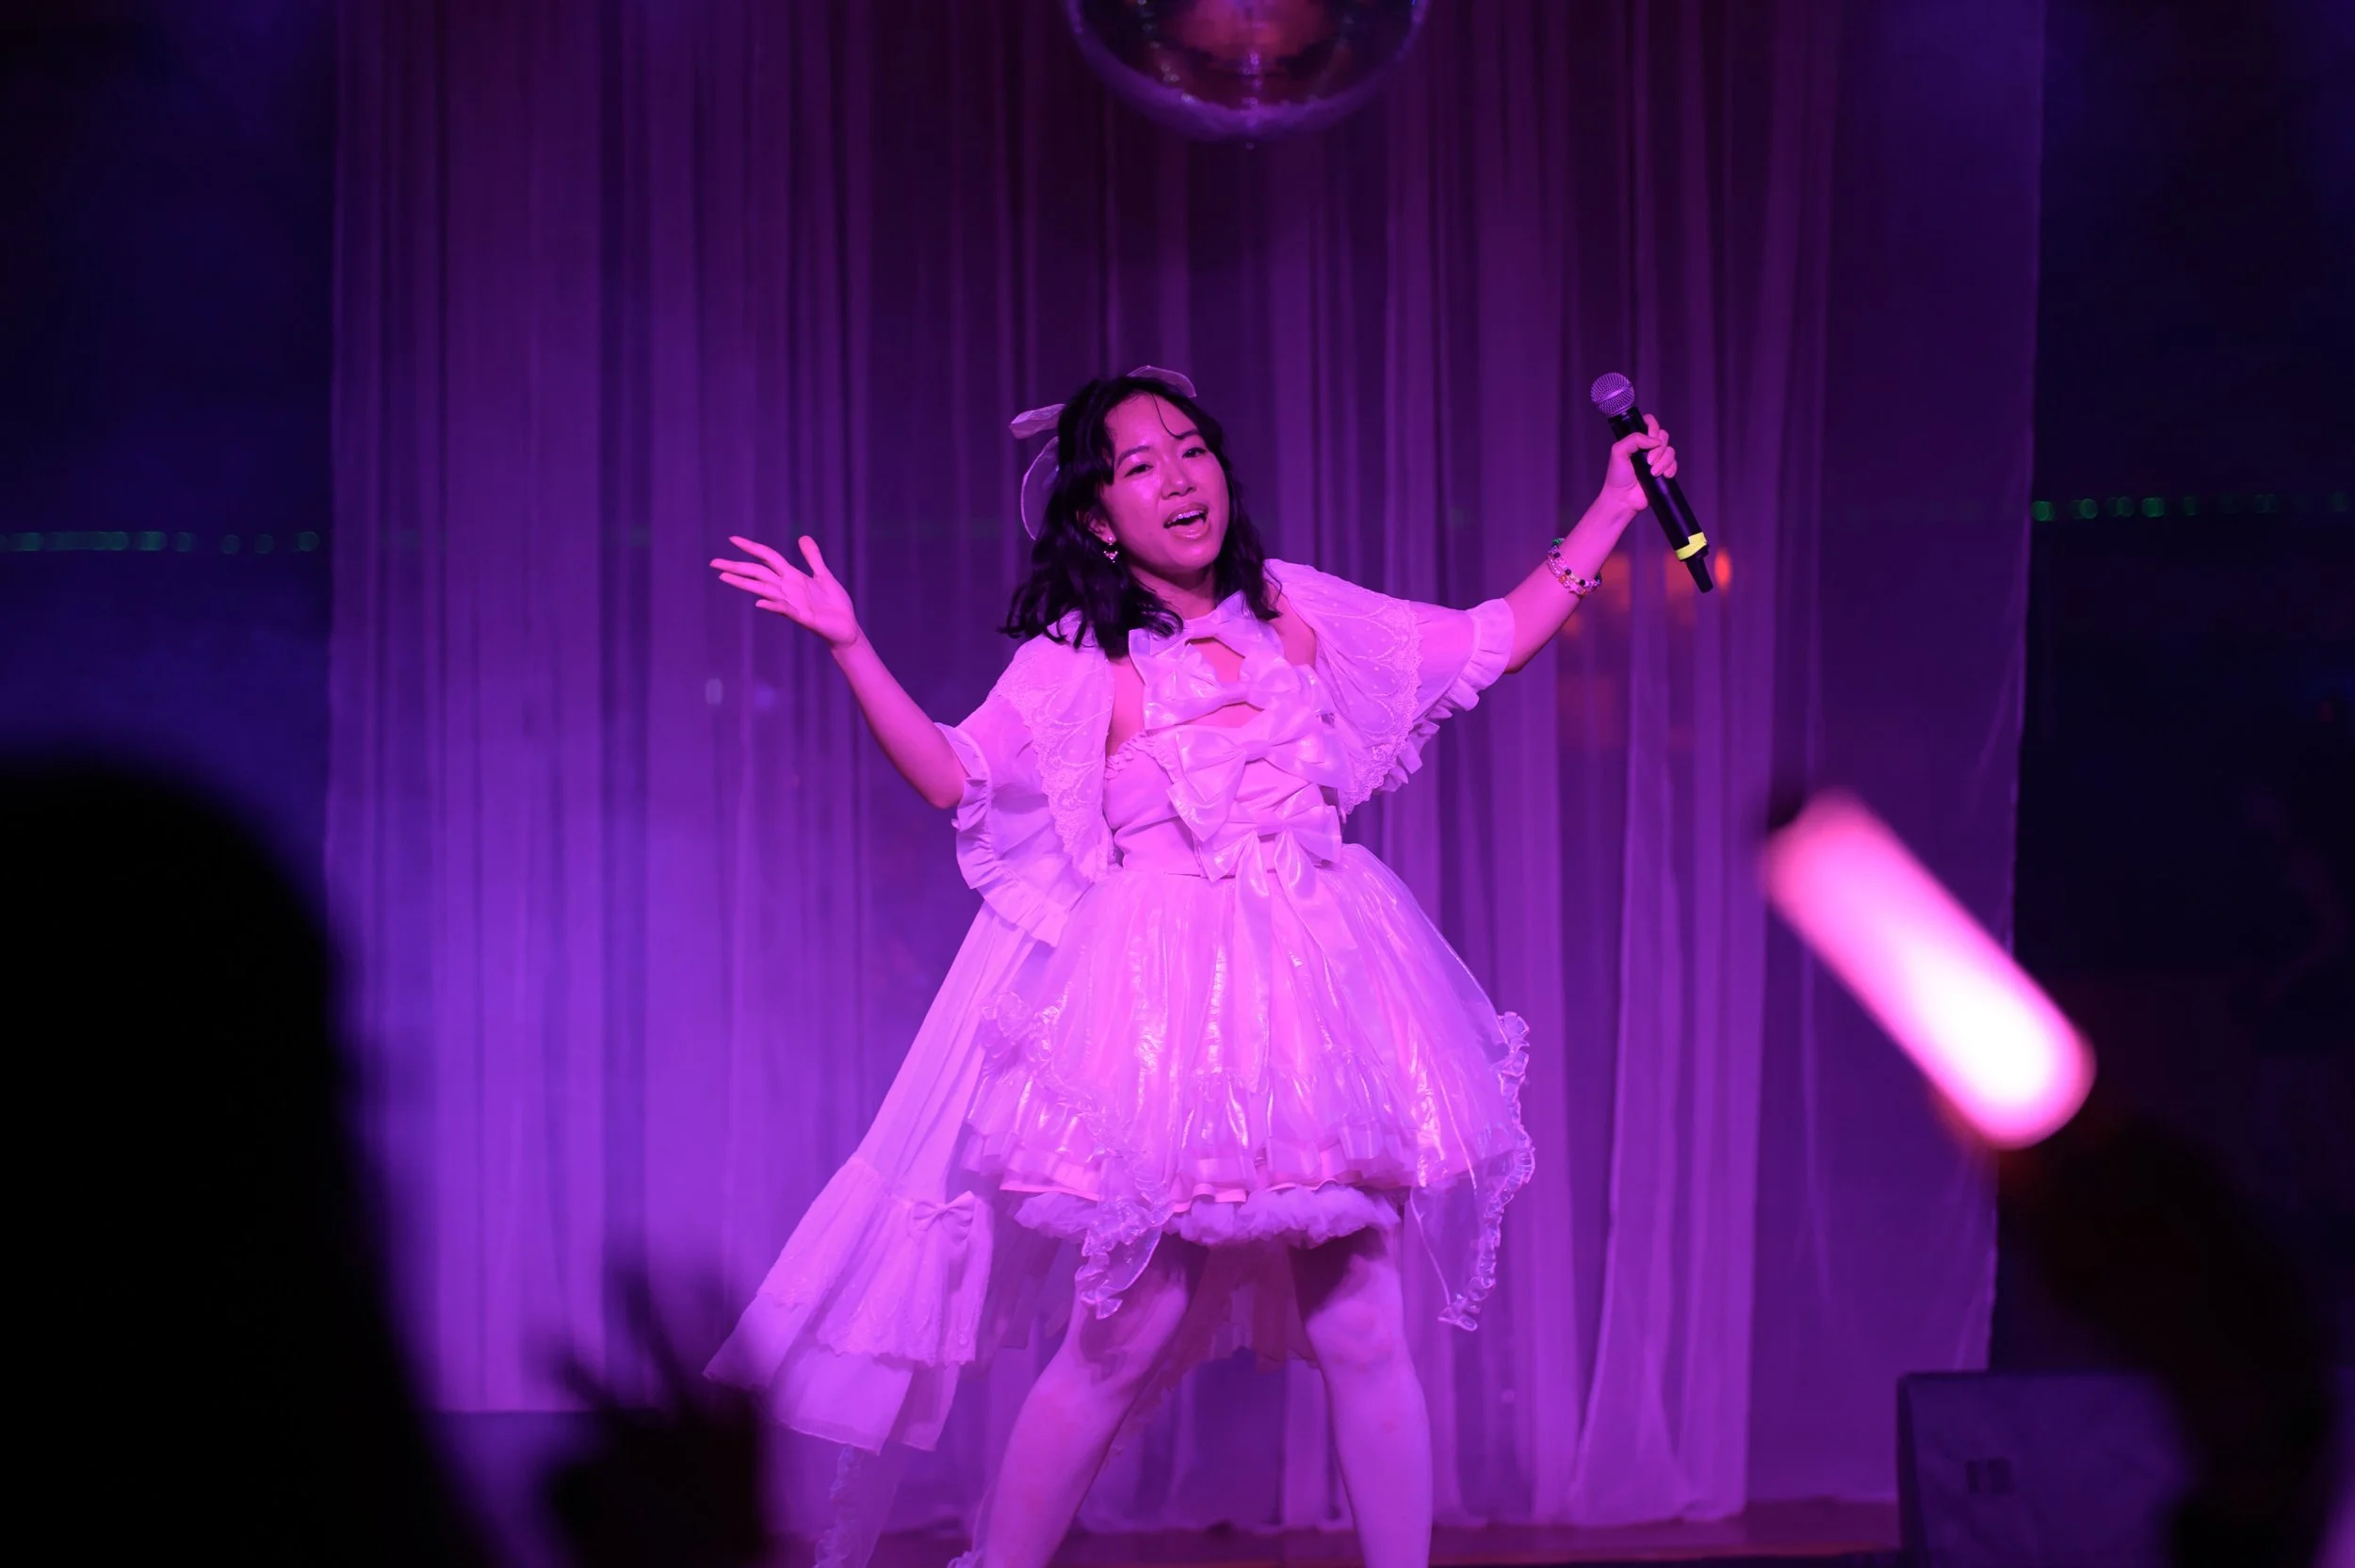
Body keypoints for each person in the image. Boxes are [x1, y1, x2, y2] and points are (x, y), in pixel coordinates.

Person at [704, 369, 1673, 1568]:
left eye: (1191, 449)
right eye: (1139, 464)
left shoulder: (1292, 609)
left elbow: (1493, 639)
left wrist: (1614, 506)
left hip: (1315, 1001)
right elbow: (957, 775)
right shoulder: (1078, 659)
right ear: (1098, 517)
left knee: (1362, 1321)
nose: (1178, 477)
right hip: (1169, 1014)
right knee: (1125, 1332)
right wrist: (851, 646)